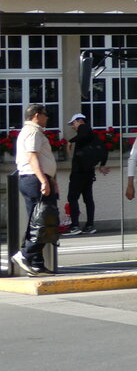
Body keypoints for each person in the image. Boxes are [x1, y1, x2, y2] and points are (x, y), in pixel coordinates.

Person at [12, 103, 59, 276]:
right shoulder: (33, 131)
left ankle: (37, 263)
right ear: (36, 115)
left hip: (34, 179)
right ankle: (25, 254)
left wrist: (51, 179)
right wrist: (43, 180)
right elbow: (32, 156)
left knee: (37, 220)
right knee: (42, 221)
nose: (47, 117)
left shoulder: (30, 131)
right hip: (34, 179)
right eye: (45, 114)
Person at [65, 112, 108, 235]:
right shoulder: (93, 136)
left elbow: (82, 134)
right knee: (88, 199)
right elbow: (104, 150)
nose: (73, 127)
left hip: (79, 172)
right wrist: (102, 164)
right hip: (88, 172)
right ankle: (89, 225)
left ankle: (75, 226)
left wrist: (70, 141)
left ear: (79, 121)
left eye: (73, 123)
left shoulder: (84, 129)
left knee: (72, 197)